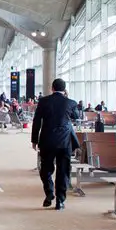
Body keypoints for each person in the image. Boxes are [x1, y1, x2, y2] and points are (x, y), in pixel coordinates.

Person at [30, 78, 80, 210]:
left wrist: (34, 139)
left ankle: (49, 193)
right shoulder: (71, 103)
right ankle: (60, 201)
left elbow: (37, 122)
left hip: (47, 141)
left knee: (45, 169)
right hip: (64, 142)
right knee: (63, 171)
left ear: (52, 88)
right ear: (64, 90)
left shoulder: (43, 101)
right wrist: (67, 98)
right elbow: (76, 116)